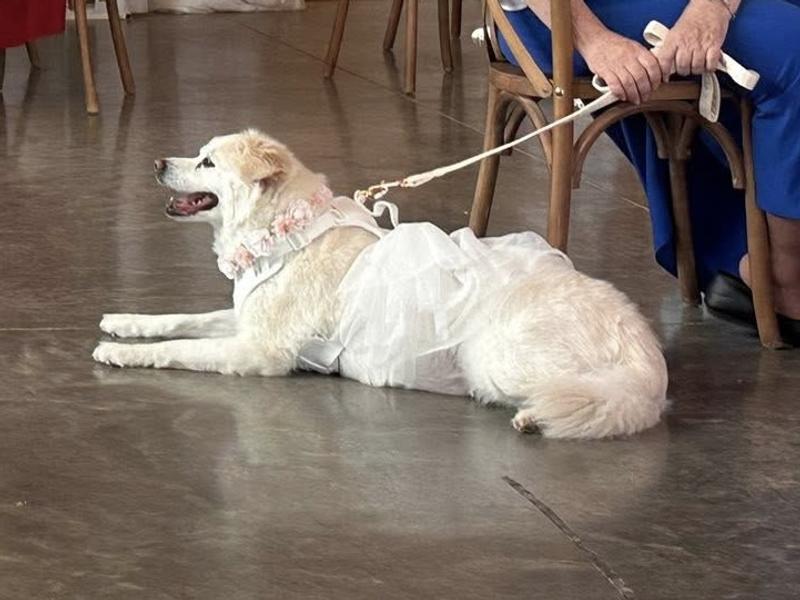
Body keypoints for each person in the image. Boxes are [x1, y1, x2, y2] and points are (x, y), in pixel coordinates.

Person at [497, 0, 800, 344]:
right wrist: (594, 40)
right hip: (557, 14)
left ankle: (747, 251)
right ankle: (783, 279)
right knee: (793, 47)